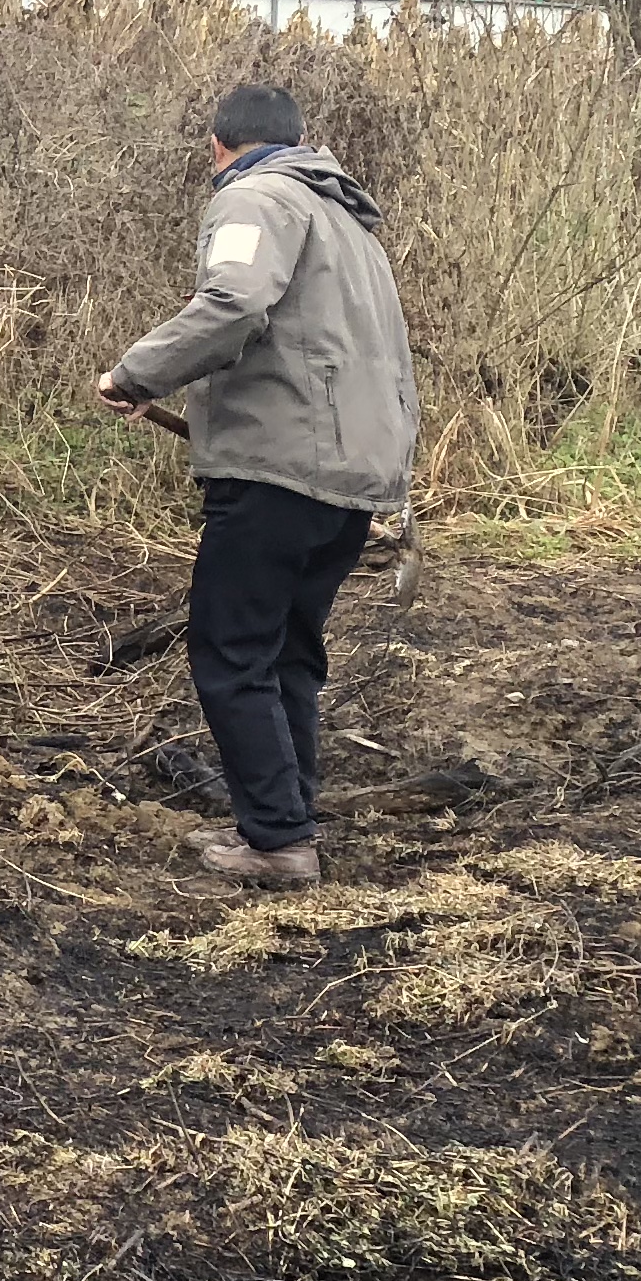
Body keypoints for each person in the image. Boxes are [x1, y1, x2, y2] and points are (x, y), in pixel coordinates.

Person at [99, 78, 420, 890]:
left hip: (281, 469)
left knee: (232, 651)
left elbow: (234, 302)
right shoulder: (347, 218)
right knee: (289, 654)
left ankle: (277, 842)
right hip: (358, 473)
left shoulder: (255, 200)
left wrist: (140, 374)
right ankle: (286, 816)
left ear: (218, 147)